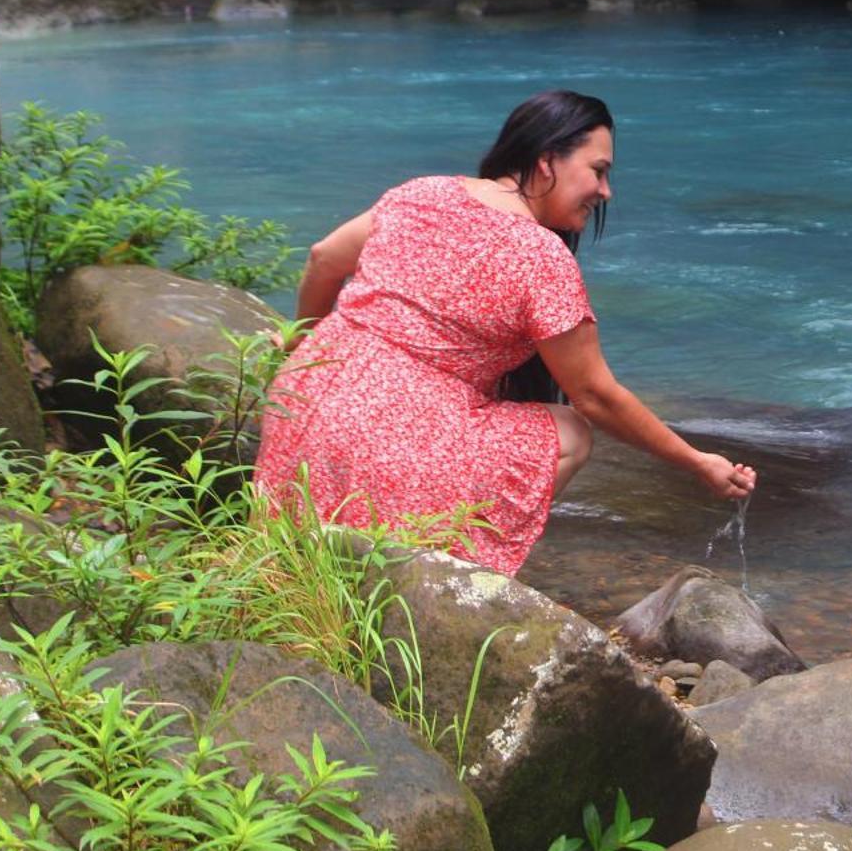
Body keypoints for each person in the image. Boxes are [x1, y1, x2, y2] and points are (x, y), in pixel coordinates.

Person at [253, 89, 756, 574]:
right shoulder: (540, 256)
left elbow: (323, 259)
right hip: (386, 437)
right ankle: (447, 570)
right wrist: (696, 462)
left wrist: (303, 341)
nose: (606, 192)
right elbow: (595, 396)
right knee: (571, 433)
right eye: (598, 172)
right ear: (546, 161)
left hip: (302, 402)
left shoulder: (421, 193)